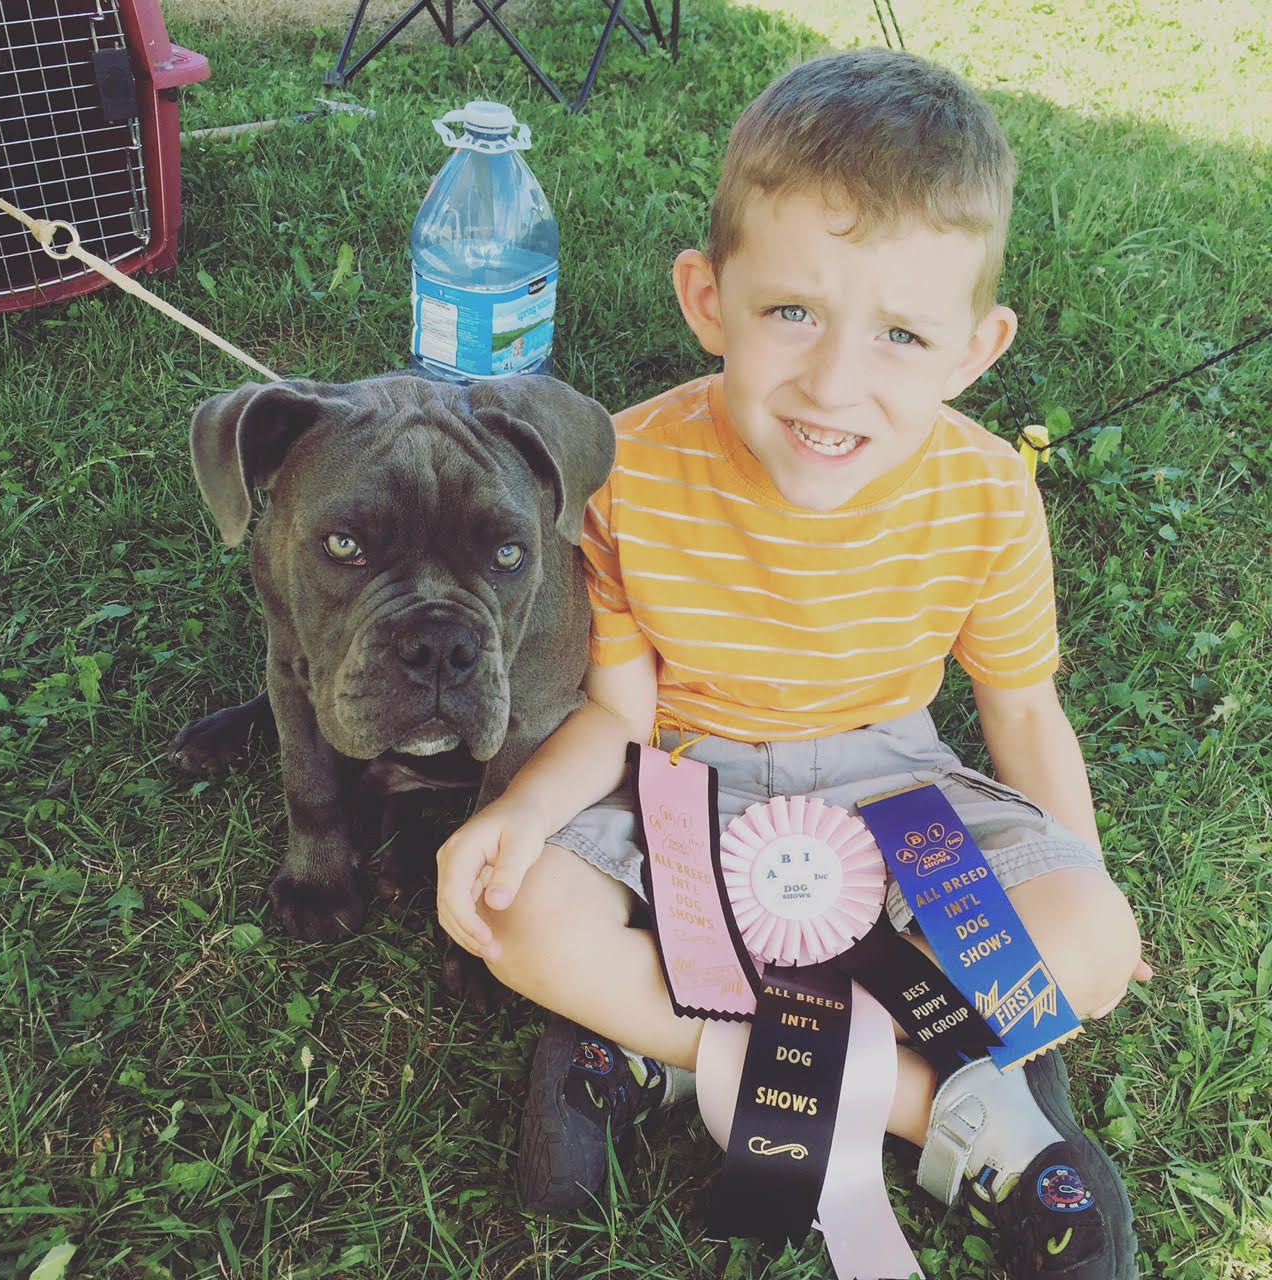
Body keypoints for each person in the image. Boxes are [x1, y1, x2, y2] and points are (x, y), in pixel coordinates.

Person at [436, 47, 1151, 1280]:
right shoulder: (626, 471)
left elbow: (1022, 711)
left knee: (1081, 942)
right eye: (790, 313)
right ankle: (962, 1115)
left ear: (973, 350)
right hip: (683, 786)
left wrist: (1075, 865)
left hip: (897, 784)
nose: (833, 382)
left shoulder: (988, 491)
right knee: (524, 913)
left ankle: (652, 1048)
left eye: (900, 334)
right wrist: (522, 813)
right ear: (707, 297)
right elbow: (618, 709)